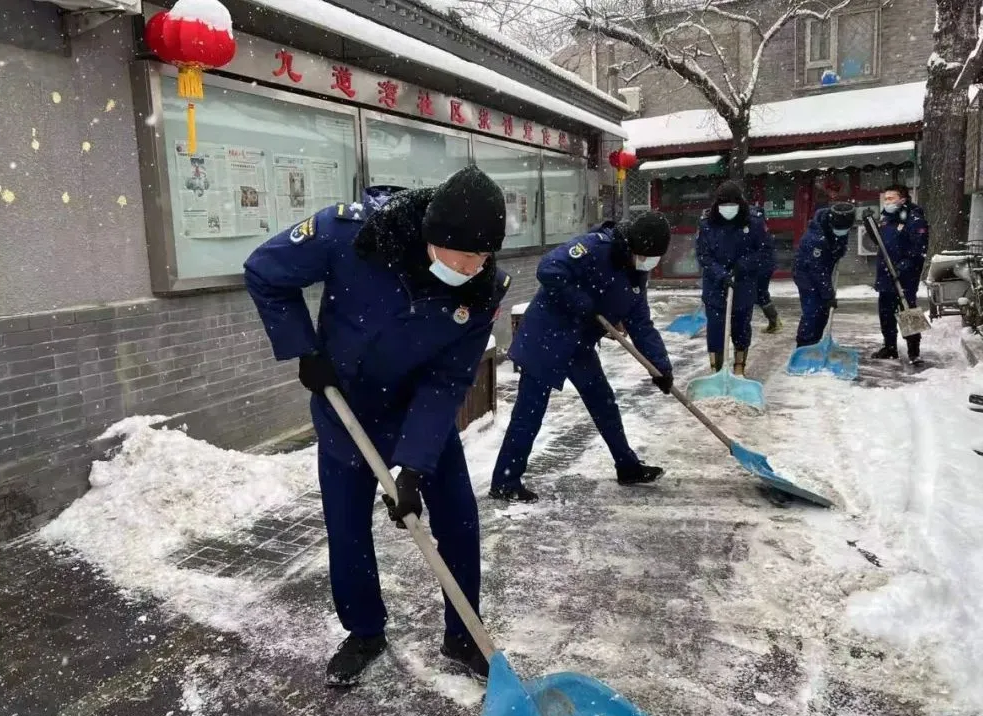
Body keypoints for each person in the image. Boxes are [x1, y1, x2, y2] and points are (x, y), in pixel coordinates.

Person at [243, 166, 510, 688]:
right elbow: (264, 272)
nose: (474, 266)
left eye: (484, 255)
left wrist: (413, 465)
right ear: (433, 237)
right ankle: (364, 631)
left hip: (417, 413)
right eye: (464, 255)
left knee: (457, 521)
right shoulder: (351, 236)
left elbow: (447, 380)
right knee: (347, 529)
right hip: (345, 406)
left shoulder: (482, 289)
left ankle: (464, 634)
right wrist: (303, 350)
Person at [488, 212, 676, 503]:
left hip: (579, 345)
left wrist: (660, 367)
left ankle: (627, 467)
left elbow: (641, 323)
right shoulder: (596, 247)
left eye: (653, 258)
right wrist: (581, 302)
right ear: (631, 245)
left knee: (604, 403)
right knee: (529, 413)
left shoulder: (636, 274)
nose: (648, 262)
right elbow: (548, 268)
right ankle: (505, 481)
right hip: (546, 338)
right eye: (644, 255)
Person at [694, 180, 776, 376]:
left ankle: (740, 368)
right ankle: (717, 371)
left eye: (732, 204)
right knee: (715, 330)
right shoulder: (707, 223)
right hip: (715, 287)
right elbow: (703, 255)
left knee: (741, 328)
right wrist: (721, 274)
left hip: (743, 285)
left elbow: (765, 251)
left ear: (741, 203)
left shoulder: (754, 222)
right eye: (723, 204)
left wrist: (742, 266)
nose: (727, 208)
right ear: (716, 204)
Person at [869, 184, 928, 364]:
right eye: (885, 199)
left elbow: (919, 249)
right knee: (885, 312)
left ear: (902, 199)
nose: (887, 202)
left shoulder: (914, 219)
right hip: (886, 274)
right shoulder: (886, 219)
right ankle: (890, 347)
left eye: (891, 198)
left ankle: (914, 351)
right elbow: (880, 242)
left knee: (908, 311)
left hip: (905, 276)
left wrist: (904, 265)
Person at [793, 202, 857, 347]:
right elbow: (817, 271)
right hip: (806, 274)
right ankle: (804, 345)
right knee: (812, 310)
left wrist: (839, 250)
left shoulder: (838, 227)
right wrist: (829, 295)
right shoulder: (815, 238)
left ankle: (816, 343)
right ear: (831, 222)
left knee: (823, 311)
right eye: (840, 229)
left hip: (822, 271)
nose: (843, 232)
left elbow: (840, 243)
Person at [756, 246, 782, 334]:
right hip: (763, 264)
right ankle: (775, 322)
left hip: (761, 265)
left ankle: (775, 322)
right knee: (760, 294)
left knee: (760, 294)